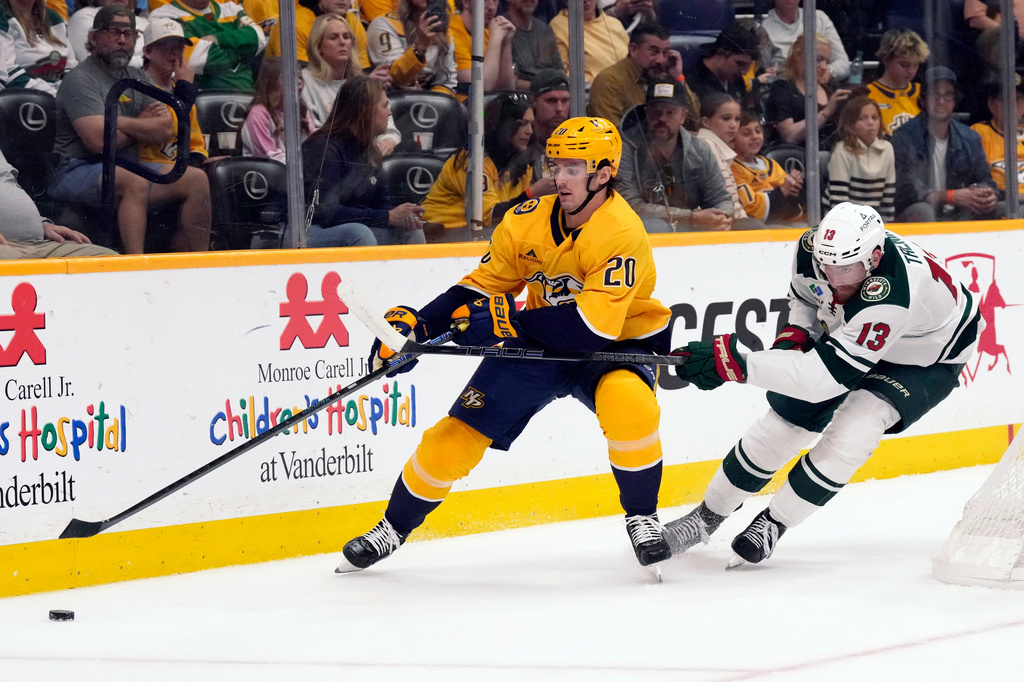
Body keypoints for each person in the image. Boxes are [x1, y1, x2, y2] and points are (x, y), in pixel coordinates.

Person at [337, 116, 675, 574]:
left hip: (615, 341)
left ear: (603, 174)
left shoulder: (621, 231)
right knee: (453, 436)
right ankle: (392, 528)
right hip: (541, 342)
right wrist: (417, 327)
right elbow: (479, 287)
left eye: (574, 168)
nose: (560, 176)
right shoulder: (526, 220)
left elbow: (591, 329)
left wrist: (508, 322)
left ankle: (643, 518)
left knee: (630, 404)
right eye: (557, 165)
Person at [663, 201, 983, 566]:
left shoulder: (893, 292)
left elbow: (820, 380)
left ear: (875, 258)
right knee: (784, 422)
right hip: (862, 329)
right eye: (827, 266)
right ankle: (706, 516)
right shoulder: (812, 249)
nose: (834, 278)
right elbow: (806, 296)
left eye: (845, 269)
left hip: (927, 356)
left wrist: (735, 363)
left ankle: (773, 523)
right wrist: (797, 333)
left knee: (856, 428)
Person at [48, 5, 211, 253]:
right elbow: (97, 142)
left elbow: (166, 129)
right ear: (93, 37)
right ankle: (136, 268)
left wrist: (113, 121)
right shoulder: (79, 79)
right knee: (135, 181)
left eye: (129, 33)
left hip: (127, 166)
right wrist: (141, 123)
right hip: (76, 169)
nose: (122, 40)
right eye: (114, 32)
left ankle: (201, 265)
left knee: (196, 179)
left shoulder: (138, 77)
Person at [301, 75, 424, 247]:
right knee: (359, 233)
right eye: (384, 105)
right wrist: (388, 217)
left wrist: (402, 216)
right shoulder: (324, 147)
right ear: (365, 110)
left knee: (410, 231)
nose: (389, 111)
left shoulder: (369, 149)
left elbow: (382, 203)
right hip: (304, 230)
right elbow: (325, 212)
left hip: (349, 226)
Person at [616, 79, 735, 232]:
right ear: (646, 113)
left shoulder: (699, 150)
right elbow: (630, 205)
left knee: (751, 226)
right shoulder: (625, 148)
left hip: (694, 225)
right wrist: (691, 217)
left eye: (670, 112)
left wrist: (721, 216)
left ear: (683, 116)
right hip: (641, 231)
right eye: (655, 112)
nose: (662, 119)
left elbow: (721, 198)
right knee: (657, 227)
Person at [421, 94, 549, 236]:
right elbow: (488, 216)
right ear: (503, 124)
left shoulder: (522, 163)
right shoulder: (471, 162)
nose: (529, 131)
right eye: (522, 123)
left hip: (482, 236)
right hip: (442, 237)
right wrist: (532, 194)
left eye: (531, 124)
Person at [891, 67, 1001, 223]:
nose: (941, 101)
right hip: (917, 213)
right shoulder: (904, 136)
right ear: (922, 99)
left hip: (958, 213)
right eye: (935, 94)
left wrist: (989, 195)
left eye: (947, 95)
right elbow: (907, 189)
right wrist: (951, 196)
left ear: (955, 100)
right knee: (923, 210)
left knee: (1001, 208)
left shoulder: (970, 138)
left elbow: (985, 180)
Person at [301, 13, 400, 154]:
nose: (342, 42)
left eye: (346, 37)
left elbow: (390, 128)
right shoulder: (305, 84)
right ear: (318, 47)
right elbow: (314, 135)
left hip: (369, 153)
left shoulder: (362, 81)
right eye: (333, 37)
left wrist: (388, 141)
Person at [0, 147, 116, 259]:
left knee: (113, 262)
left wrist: (41, 224)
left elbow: (7, 188)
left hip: (40, 243)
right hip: (7, 247)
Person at [586, 22, 698, 130]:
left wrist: (678, 78)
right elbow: (611, 134)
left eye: (665, 53)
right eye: (654, 51)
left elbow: (694, 123)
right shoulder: (609, 81)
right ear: (633, 49)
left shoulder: (665, 77)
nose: (661, 60)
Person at [149, 0, 267, 91]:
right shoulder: (163, 16)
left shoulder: (232, 9)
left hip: (247, 94)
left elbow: (259, 37)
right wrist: (241, 53)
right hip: (201, 94)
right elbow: (194, 59)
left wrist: (217, 39)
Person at [140, 16, 210, 169]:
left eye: (180, 47)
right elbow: (168, 128)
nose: (174, 54)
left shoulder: (179, 86)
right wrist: (184, 90)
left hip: (180, 169)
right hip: (149, 168)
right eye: (166, 47)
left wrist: (196, 160)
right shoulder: (139, 87)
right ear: (148, 52)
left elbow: (195, 142)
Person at [765, 33, 850, 147]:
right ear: (798, 57)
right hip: (796, 159)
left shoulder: (830, 89)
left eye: (827, 62)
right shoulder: (782, 89)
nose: (824, 67)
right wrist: (826, 111)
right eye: (818, 60)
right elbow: (789, 136)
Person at [826, 96, 895, 221]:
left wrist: (886, 230)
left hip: (872, 222)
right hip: (843, 224)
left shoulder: (888, 149)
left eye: (875, 117)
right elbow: (839, 203)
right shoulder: (842, 151)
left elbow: (887, 200)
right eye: (862, 118)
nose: (871, 123)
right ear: (850, 124)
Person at [367, 0, 457, 95]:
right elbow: (396, 78)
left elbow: (447, 84)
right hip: (391, 100)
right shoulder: (384, 24)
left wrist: (426, 99)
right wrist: (420, 47)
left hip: (428, 102)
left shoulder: (442, 31)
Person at [731, 109, 804, 224]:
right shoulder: (734, 168)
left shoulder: (772, 165)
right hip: (758, 229)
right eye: (746, 133)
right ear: (732, 141)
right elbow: (751, 209)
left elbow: (788, 196)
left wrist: (793, 188)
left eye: (758, 131)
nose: (755, 136)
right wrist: (784, 189)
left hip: (784, 221)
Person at [238, 57, 315, 162]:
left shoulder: (301, 110)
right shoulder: (259, 114)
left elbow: (314, 144)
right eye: (290, 77)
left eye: (299, 77)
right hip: (266, 174)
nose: (298, 82)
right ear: (272, 83)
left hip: (297, 170)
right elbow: (271, 158)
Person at [266, 0, 373, 71]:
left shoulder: (353, 22)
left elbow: (362, 68)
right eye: (334, 37)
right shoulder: (294, 23)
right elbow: (300, 77)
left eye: (345, 37)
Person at [695, 93, 751, 225]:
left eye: (737, 119)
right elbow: (727, 198)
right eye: (726, 119)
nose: (733, 125)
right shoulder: (707, 145)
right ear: (706, 122)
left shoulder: (711, 144)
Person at [761, 0, 850, 82]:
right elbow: (763, 72)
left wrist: (829, 72)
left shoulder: (820, 19)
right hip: (783, 91)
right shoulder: (763, 27)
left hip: (821, 88)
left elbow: (843, 63)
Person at [865, 28, 930, 138]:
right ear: (885, 59)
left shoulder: (922, 92)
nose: (911, 71)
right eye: (904, 64)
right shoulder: (867, 94)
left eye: (916, 65)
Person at [0, 0, 76, 94]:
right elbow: (9, 74)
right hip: (25, 99)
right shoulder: (3, 15)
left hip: (60, 96)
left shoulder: (53, 17)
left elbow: (70, 65)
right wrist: (55, 95)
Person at [971, 78, 1024, 207]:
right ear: (991, 104)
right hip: (1000, 203)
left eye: (1018, 99)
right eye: (1006, 99)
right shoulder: (978, 133)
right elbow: (978, 182)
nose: (1013, 105)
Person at [549, 0, 628, 85]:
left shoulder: (614, 23)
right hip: (590, 91)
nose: (585, 1)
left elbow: (632, 61)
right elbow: (561, 71)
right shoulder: (558, 25)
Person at [450, 0, 516, 99]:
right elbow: (481, 84)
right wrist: (496, 40)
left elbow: (506, 88)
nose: (491, 7)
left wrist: (506, 43)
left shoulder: (487, 33)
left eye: (495, 0)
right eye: (485, 1)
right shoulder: (451, 32)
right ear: (466, 2)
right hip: (461, 108)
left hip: (485, 108)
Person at [683, 22, 760, 106]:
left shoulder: (738, 82)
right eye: (740, 64)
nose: (744, 72)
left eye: (748, 66)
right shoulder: (691, 82)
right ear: (721, 54)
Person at [503, 0, 563, 91]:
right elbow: (510, 82)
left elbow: (560, 71)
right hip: (519, 97)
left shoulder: (546, 30)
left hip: (551, 93)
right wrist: (545, 88)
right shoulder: (502, 28)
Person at [68, 0, 147, 68]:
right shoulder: (83, 16)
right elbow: (94, 60)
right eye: (114, 32)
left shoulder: (144, 22)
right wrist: (151, 61)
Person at [526, 69, 570, 177]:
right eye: (551, 101)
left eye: (565, 101)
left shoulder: (578, 143)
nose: (560, 108)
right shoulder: (522, 145)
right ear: (534, 101)